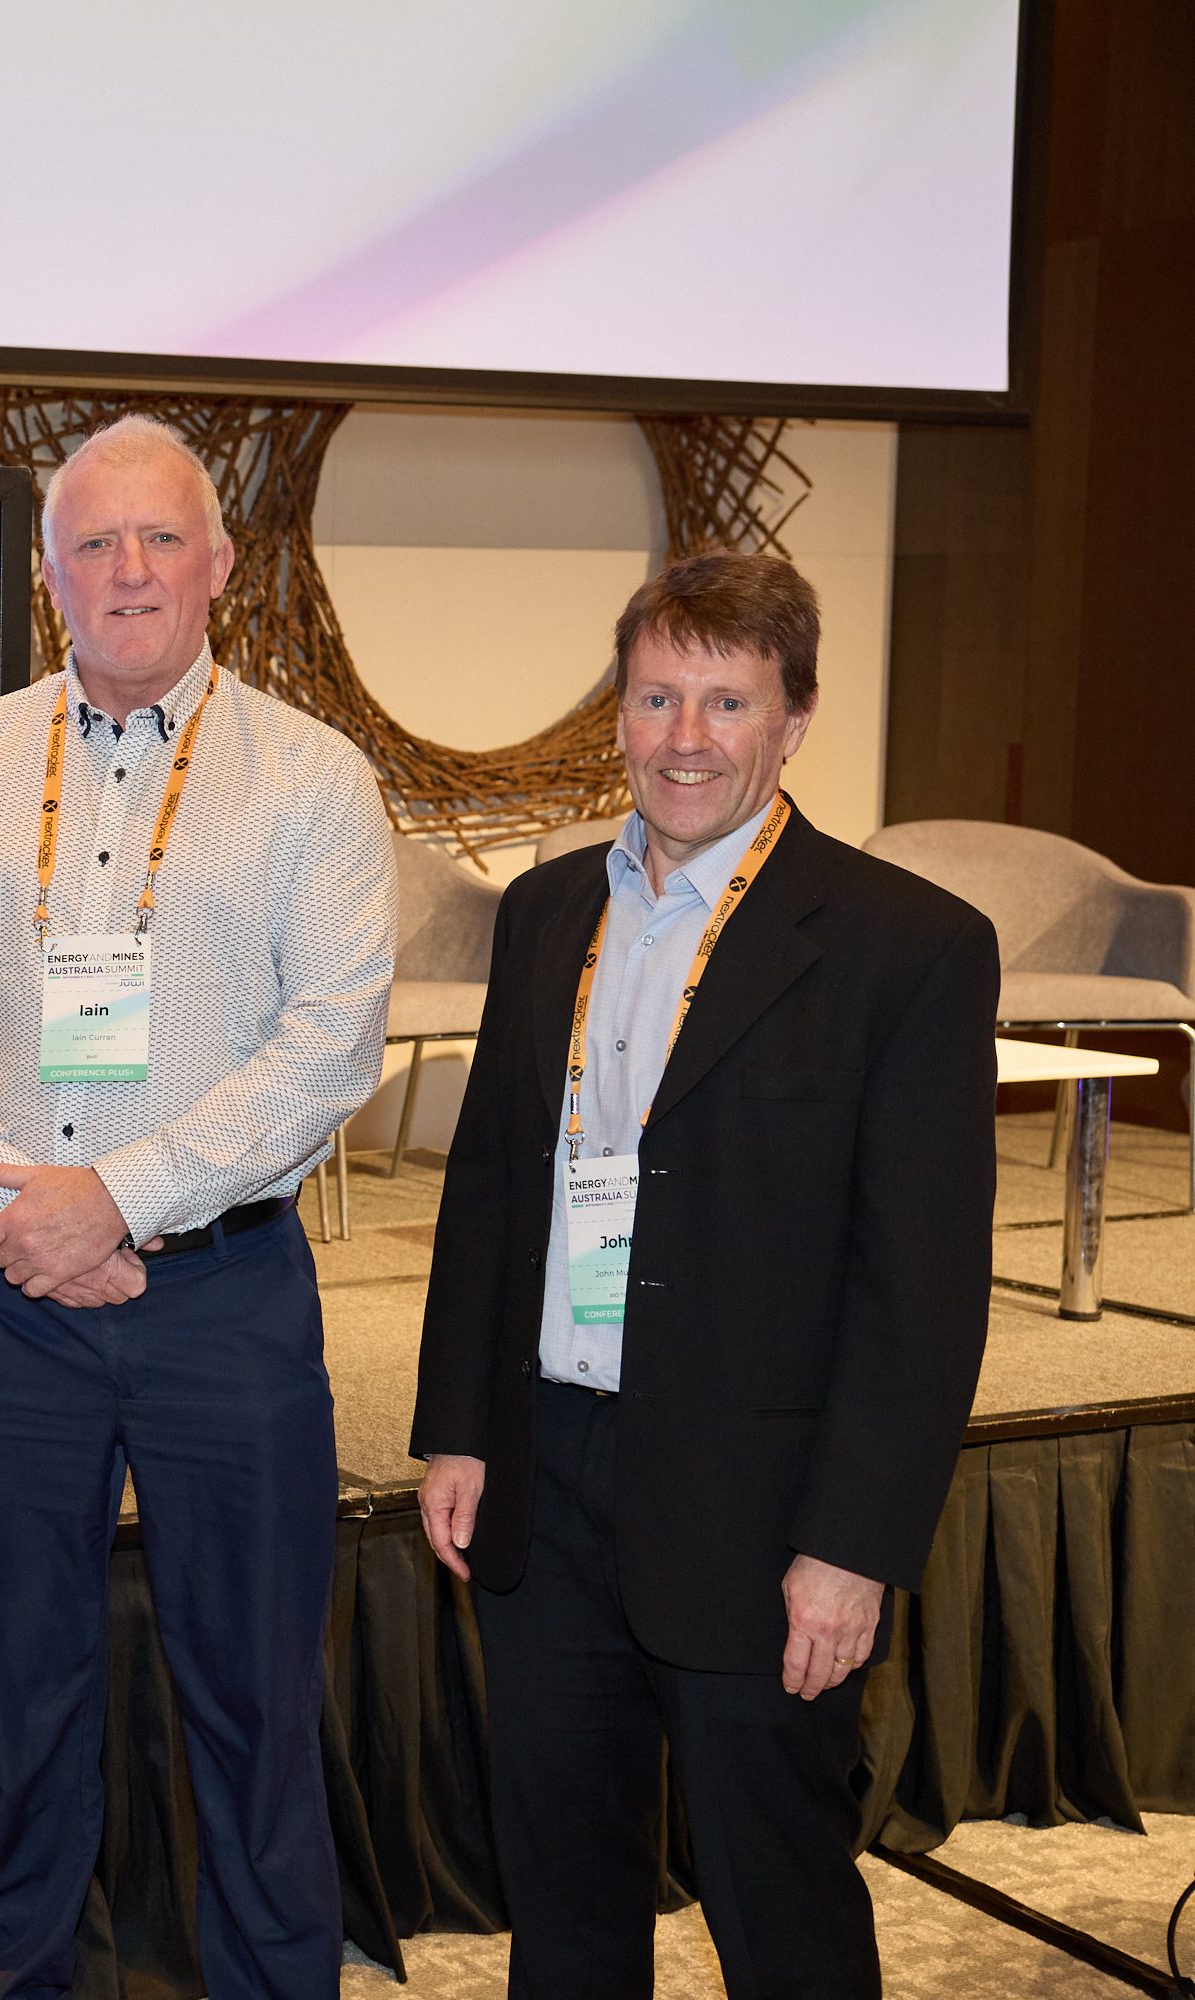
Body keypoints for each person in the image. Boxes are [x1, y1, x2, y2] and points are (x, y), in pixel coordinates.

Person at [411, 550, 999, 1999]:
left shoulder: (906, 948)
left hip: (761, 1510)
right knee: (562, 1903)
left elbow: (920, 1293)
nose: (685, 737)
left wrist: (854, 1545)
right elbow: (491, 1189)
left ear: (794, 718)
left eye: (725, 702)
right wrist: (462, 1423)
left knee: (779, 1907)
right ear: (618, 710)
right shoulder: (546, 915)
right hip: (547, 1478)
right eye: (659, 695)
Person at [0, 414, 396, 1999]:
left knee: (252, 1701)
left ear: (220, 564)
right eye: (94, 543)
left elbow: (333, 1041)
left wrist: (119, 1199)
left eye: (160, 538)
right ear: (47, 576)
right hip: (12, 1303)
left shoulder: (311, 780)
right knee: (18, 1702)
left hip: (222, 1307)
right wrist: (21, 1209)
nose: (129, 570)